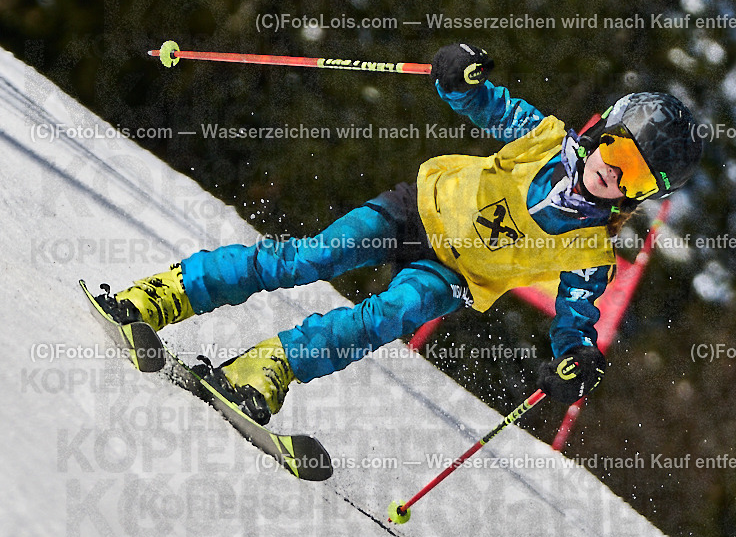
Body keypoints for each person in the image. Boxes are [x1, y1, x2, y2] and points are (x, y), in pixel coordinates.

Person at [95, 43, 703, 425]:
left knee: (388, 315)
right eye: (618, 148)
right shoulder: (541, 138)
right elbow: (485, 103)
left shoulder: (592, 251)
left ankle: (267, 368)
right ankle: (166, 293)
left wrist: (573, 359)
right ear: (603, 130)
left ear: (644, 193)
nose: (613, 170)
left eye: (637, 174)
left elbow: (576, 318)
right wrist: (457, 76)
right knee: (312, 257)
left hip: (455, 276)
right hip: (419, 210)